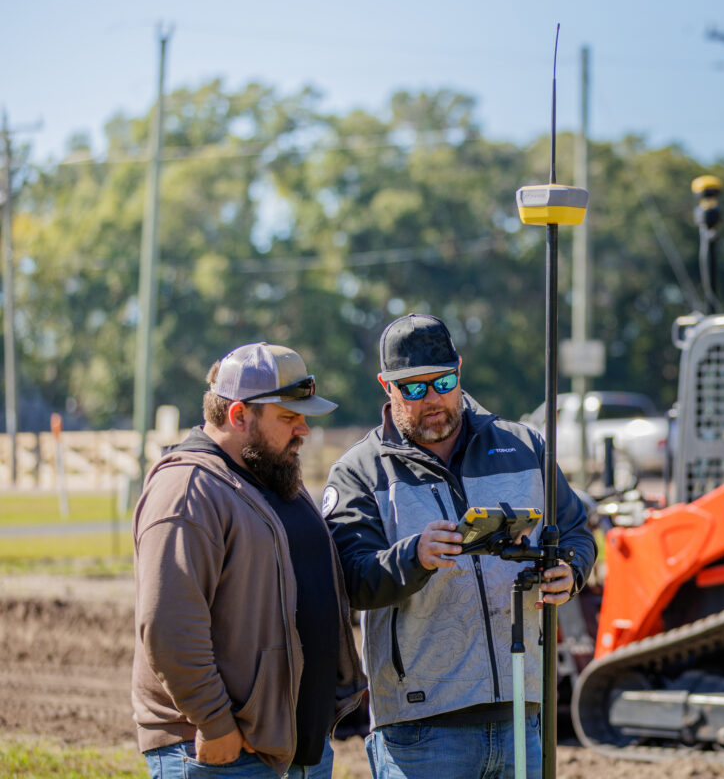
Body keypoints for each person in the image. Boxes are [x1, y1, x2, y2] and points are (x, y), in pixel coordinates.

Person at [322, 313, 597, 779]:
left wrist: (571, 570)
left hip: (520, 712)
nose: (432, 398)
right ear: (385, 386)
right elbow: (349, 580)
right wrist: (414, 557)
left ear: (460, 370)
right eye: (413, 387)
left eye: (444, 381)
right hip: (420, 731)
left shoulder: (525, 446)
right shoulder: (359, 472)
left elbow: (574, 532)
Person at [132, 342, 366, 779]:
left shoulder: (276, 479)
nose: (304, 431)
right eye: (289, 418)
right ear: (239, 415)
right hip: (226, 754)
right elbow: (168, 626)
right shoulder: (189, 489)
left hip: (298, 751)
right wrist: (215, 723)